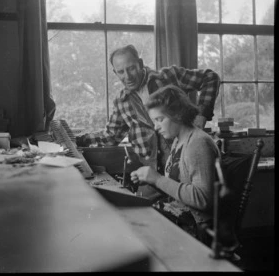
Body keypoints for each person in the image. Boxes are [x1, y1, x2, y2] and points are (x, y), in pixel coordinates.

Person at [76, 44, 220, 198]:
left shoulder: (168, 77)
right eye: (121, 72)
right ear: (115, 73)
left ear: (140, 63)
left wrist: (201, 116)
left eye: (131, 68)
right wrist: (78, 139)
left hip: (184, 170)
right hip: (152, 177)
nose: (128, 76)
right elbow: (110, 137)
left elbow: (210, 78)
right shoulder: (122, 102)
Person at [130, 84, 220, 244]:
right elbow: (179, 185)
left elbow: (203, 199)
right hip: (184, 215)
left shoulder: (198, 143)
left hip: (200, 227)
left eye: (159, 119)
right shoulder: (179, 140)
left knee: (136, 231)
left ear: (177, 114)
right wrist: (150, 179)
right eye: (154, 121)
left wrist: (157, 179)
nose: (156, 127)